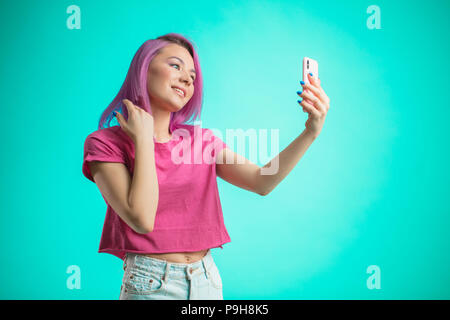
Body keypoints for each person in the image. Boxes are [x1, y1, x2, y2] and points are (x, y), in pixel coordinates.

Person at [82, 33, 330, 300]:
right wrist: (143, 140)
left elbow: (262, 181)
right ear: (144, 68)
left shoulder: (201, 140)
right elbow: (141, 219)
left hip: (207, 279)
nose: (188, 78)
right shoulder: (104, 144)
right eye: (175, 66)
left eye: (192, 75)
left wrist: (310, 132)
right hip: (150, 283)